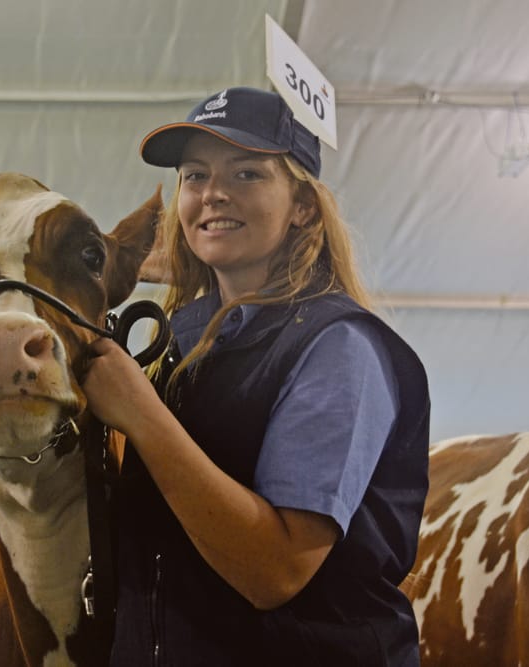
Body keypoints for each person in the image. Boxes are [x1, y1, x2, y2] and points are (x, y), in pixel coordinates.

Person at [82, 86, 430, 666]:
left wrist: (140, 415)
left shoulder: (338, 348)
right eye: (194, 177)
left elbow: (277, 569)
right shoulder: (184, 335)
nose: (212, 193)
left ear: (302, 206)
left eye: (246, 174)